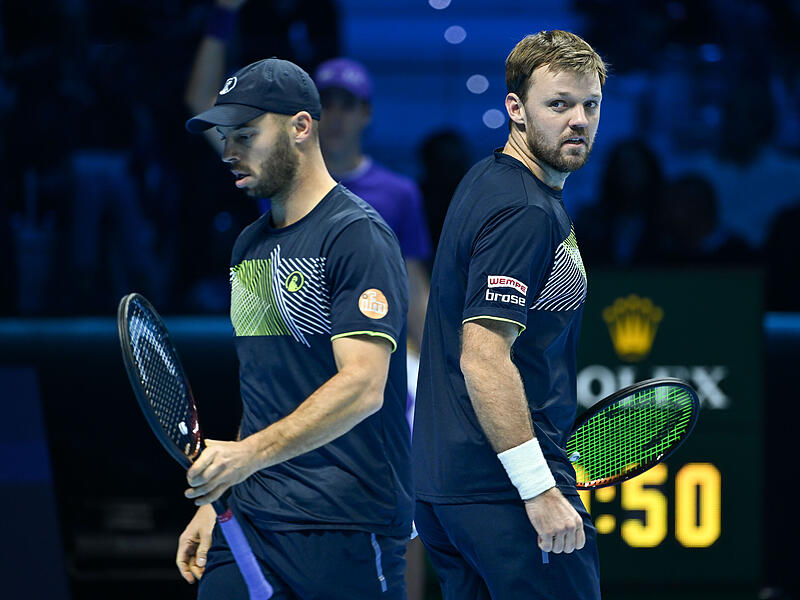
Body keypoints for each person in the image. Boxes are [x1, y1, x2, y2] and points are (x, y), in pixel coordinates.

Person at [177, 57, 412, 599]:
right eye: (225, 137)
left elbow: (363, 386)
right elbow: (266, 387)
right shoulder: (249, 246)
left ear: (301, 127)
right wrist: (222, 494)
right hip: (252, 517)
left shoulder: (356, 235)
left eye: (245, 135)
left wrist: (246, 456)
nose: (229, 152)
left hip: (346, 523)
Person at [412, 30, 607, 599]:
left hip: (448, 489)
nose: (578, 120)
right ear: (516, 109)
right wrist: (537, 488)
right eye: (559, 104)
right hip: (505, 492)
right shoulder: (525, 210)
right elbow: (483, 357)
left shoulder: (487, 178)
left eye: (590, 104)